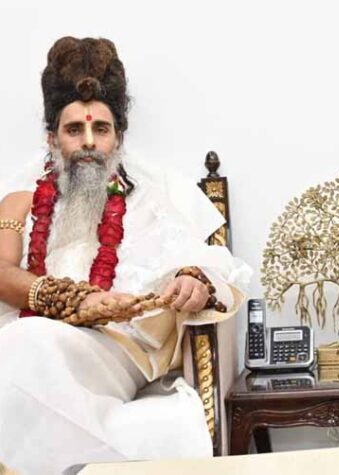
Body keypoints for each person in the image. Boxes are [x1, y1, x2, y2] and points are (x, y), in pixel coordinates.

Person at [0, 37, 250, 474]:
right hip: (36, 337)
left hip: (116, 350)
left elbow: (198, 261)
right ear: (52, 139)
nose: (89, 142)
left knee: (23, 344)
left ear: (118, 139)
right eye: (74, 130)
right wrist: (74, 300)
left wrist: (191, 280)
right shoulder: (21, 202)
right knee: (23, 343)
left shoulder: (150, 198)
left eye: (101, 129)